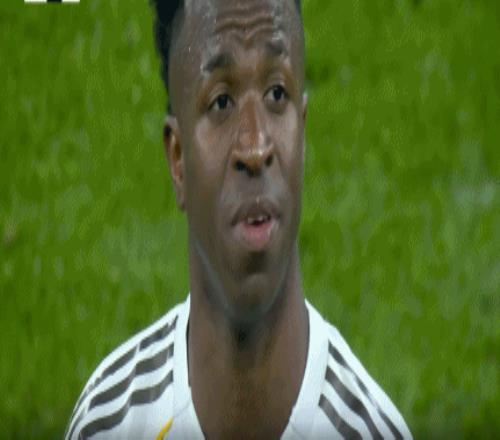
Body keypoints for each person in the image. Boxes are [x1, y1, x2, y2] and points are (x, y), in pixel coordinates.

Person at [65, 0, 412, 438]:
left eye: (276, 94)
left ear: (303, 134)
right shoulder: (109, 422)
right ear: (178, 160)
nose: (255, 146)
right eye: (222, 101)